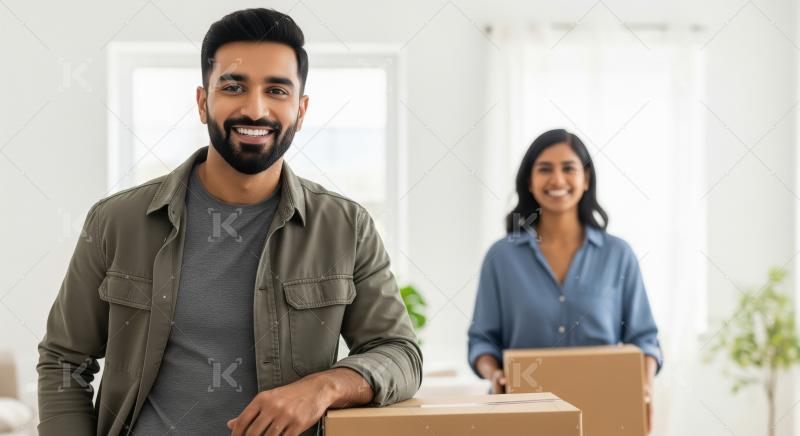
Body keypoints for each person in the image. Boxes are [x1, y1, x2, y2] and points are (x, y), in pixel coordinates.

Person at [37, 8, 421, 436]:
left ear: (301, 109)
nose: (255, 110)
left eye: (276, 90)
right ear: (204, 103)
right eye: (234, 86)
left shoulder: (347, 226)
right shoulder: (116, 221)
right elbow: (64, 361)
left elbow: (400, 353)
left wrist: (324, 386)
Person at [468, 129, 662, 432]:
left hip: (608, 412)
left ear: (585, 180)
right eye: (545, 169)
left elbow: (645, 339)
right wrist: (494, 374)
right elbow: (482, 341)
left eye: (568, 168)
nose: (557, 180)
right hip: (522, 417)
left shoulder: (618, 254)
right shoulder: (501, 257)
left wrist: (645, 386)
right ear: (529, 182)